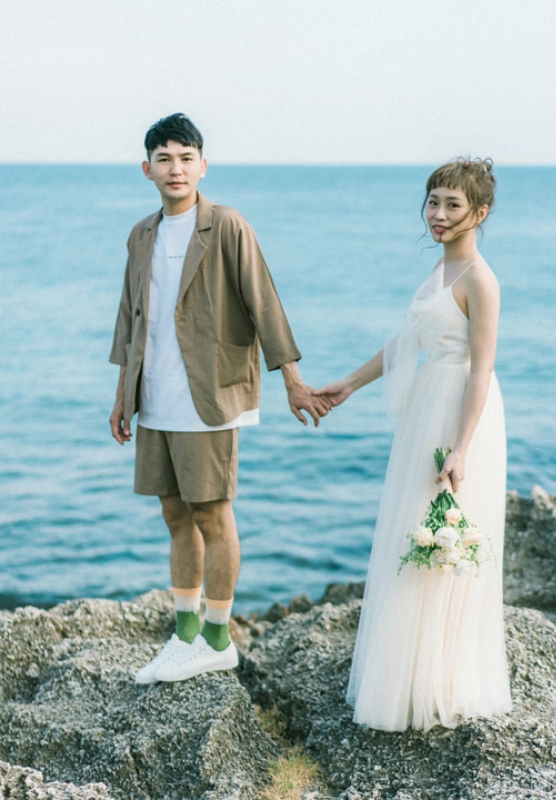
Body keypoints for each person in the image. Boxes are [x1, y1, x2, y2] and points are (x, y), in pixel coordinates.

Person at [110, 113, 330, 683]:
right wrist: (121, 397)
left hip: (210, 394)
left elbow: (265, 303)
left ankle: (216, 637)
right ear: (147, 169)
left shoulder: (227, 226)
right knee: (173, 512)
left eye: (186, 157)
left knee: (212, 512)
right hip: (153, 394)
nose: (175, 168)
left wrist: (292, 379)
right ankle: (184, 632)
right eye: (164, 158)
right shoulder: (141, 234)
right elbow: (128, 318)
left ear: (202, 165)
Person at [315, 157, 511, 731]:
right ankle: (408, 677)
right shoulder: (439, 274)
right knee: (416, 536)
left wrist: (461, 447)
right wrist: (348, 384)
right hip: (428, 406)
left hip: (460, 412)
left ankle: (440, 680)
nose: (440, 215)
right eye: (433, 202)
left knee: (445, 540)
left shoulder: (480, 278)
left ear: (481, 212)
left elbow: (482, 367)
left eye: (453, 205)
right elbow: (408, 341)